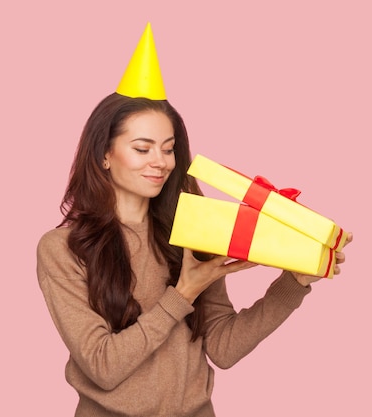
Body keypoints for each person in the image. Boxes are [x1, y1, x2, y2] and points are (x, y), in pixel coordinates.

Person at [36, 24, 352, 417]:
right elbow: (102, 366)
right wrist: (183, 292)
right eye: (142, 148)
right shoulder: (62, 249)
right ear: (104, 154)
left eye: (168, 149)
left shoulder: (194, 229)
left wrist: (293, 283)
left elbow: (222, 347)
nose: (160, 162)